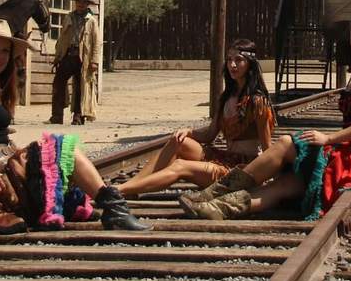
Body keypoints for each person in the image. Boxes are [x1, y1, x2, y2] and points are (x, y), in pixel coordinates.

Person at [179, 12, 351, 224]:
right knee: (284, 183)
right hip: (343, 150)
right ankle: (216, 208)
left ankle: (212, 195)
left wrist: (329, 139)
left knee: (285, 145)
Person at [0, 19, 149, 234]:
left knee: (60, 152)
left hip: (7, 164)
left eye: (5, 51)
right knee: (62, 147)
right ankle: (115, 209)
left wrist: (20, 152)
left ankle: (114, 208)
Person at [114, 39, 275, 198]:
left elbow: (267, 147)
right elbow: (209, 135)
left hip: (243, 170)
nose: (232, 65)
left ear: (250, 63)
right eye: (230, 60)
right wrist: (187, 131)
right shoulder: (227, 98)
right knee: (179, 141)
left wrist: (269, 179)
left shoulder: (257, 102)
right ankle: (130, 187)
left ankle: (120, 191)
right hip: (227, 158)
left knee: (180, 166)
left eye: (239, 60)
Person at [49, 0, 101, 125]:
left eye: (84, 3)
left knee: (80, 86)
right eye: (79, 2)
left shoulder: (91, 21)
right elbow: (62, 38)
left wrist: (94, 61)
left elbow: (97, 42)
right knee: (58, 83)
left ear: (87, 5)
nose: (81, 5)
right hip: (68, 54)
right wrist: (57, 56)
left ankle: (78, 116)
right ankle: (57, 115)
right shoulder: (69, 17)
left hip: (82, 57)